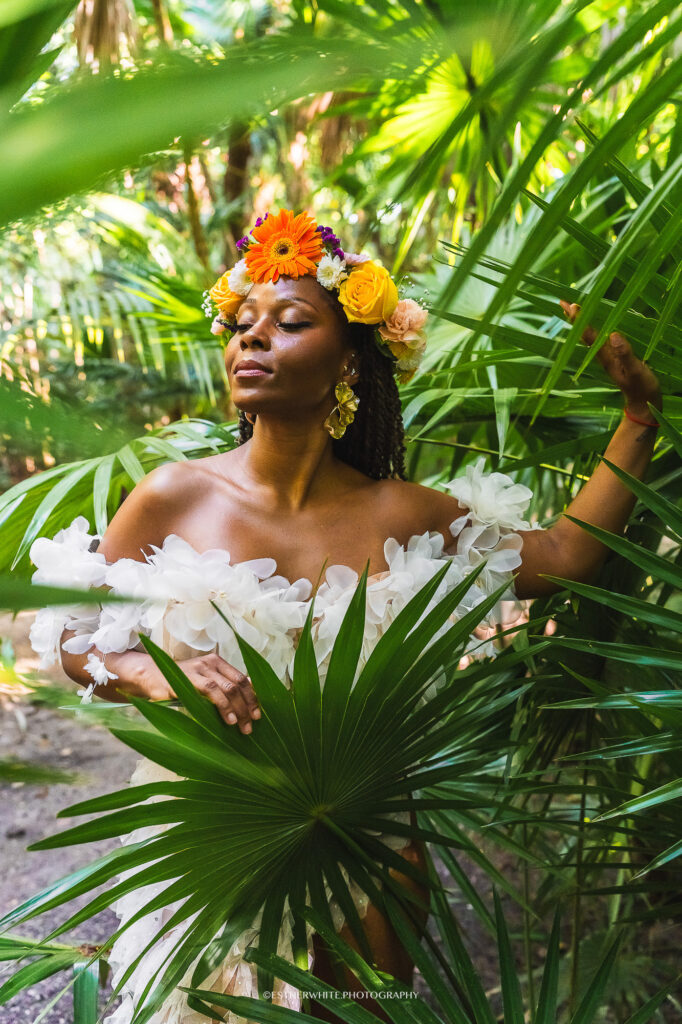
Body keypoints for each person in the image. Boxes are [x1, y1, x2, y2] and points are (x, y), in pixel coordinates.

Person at [28, 209, 661, 1022]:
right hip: (209, 840)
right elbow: (73, 634)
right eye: (242, 323)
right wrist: (150, 669)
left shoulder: (406, 512)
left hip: (373, 847)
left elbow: (566, 556)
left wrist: (638, 420)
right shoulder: (172, 494)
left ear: (350, 366)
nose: (251, 338)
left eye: (289, 322)